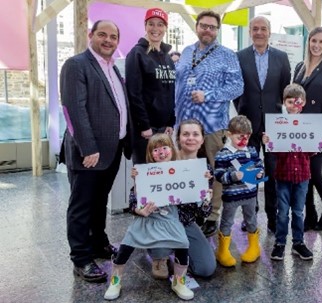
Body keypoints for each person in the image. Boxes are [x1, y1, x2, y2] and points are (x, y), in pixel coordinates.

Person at [60, 20, 131, 283]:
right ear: (91, 35)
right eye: (102, 34)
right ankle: (81, 257)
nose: (108, 40)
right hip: (89, 152)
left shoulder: (113, 68)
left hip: (111, 150)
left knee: (100, 200)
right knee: (82, 205)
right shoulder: (77, 64)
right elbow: (73, 109)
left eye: (113, 36)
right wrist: (87, 148)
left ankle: (99, 243)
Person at [175, 10, 244, 237]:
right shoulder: (186, 52)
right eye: (204, 26)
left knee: (215, 172)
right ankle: (190, 210)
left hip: (213, 126)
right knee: (188, 169)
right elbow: (178, 87)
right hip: (186, 126)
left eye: (212, 27)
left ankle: (212, 215)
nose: (208, 30)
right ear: (197, 27)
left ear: (217, 30)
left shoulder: (227, 55)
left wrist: (209, 94)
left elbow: (237, 87)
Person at [104, 134, 196, 301]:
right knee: (126, 245)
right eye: (156, 149)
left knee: (183, 243)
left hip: (170, 219)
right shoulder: (144, 172)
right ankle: (115, 280)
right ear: (150, 154)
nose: (161, 152)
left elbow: (191, 197)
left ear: (171, 150)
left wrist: (202, 186)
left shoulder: (181, 170)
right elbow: (134, 200)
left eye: (164, 148)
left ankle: (179, 281)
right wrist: (139, 206)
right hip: (146, 219)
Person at [234, 16, 291, 233]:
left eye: (263, 29)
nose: (259, 32)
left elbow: (285, 90)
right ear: (250, 31)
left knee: (273, 173)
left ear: (270, 32)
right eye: (255, 29)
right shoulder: (239, 57)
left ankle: (273, 217)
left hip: (273, 124)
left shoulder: (281, 58)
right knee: (249, 172)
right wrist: (242, 108)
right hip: (247, 125)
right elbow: (236, 88)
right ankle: (251, 216)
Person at [263, 83, 322, 261]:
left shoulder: (308, 125)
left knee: (299, 211)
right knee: (282, 212)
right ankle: (280, 243)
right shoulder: (278, 124)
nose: (293, 106)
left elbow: (311, 151)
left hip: (302, 176)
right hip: (283, 175)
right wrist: (269, 142)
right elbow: (275, 151)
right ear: (284, 103)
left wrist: (320, 143)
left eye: (297, 102)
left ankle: (298, 243)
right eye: (289, 102)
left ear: (304, 103)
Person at [148, 119, 217, 278]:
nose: (191, 138)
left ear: (202, 139)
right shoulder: (165, 160)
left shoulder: (205, 170)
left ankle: (180, 251)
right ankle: (158, 254)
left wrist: (206, 199)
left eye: (195, 134)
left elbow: (204, 214)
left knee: (206, 269)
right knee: (161, 253)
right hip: (161, 222)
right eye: (185, 134)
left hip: (186, 222)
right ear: (178, 139)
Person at [293, 26, 322, 231]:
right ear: (308, 42)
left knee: (314, 172)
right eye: (314, 41)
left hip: (320, 130)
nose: (317, 45)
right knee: (304, 174)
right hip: (300, 130)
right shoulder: (299, 67)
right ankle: (309, 215)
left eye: (321, 42)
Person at [126, 8, 175, 165]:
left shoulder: (167, 57)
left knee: (162, 176)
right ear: (145, 26)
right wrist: (144, 125)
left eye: (160, 24)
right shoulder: (136, 54)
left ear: (165, 28)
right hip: (146, 131)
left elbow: (170, 91)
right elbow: (134, 93)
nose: (156, 29)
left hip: (163, 130)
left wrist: (170, 122)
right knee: (145, 176)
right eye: (151, 24)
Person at [214, 115, 265, 267]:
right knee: (227, 221)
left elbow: (259, 164)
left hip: (250, 195)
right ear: (229, 134)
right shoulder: (223, 154)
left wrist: (260, 172)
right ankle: (223, 250)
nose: (243, 140)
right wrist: (233, 175)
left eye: (247, 136)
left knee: (251, 220)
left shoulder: (251, 151)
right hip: (231, 196)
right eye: (239, 136)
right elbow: (219, 175)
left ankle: (254, 247)